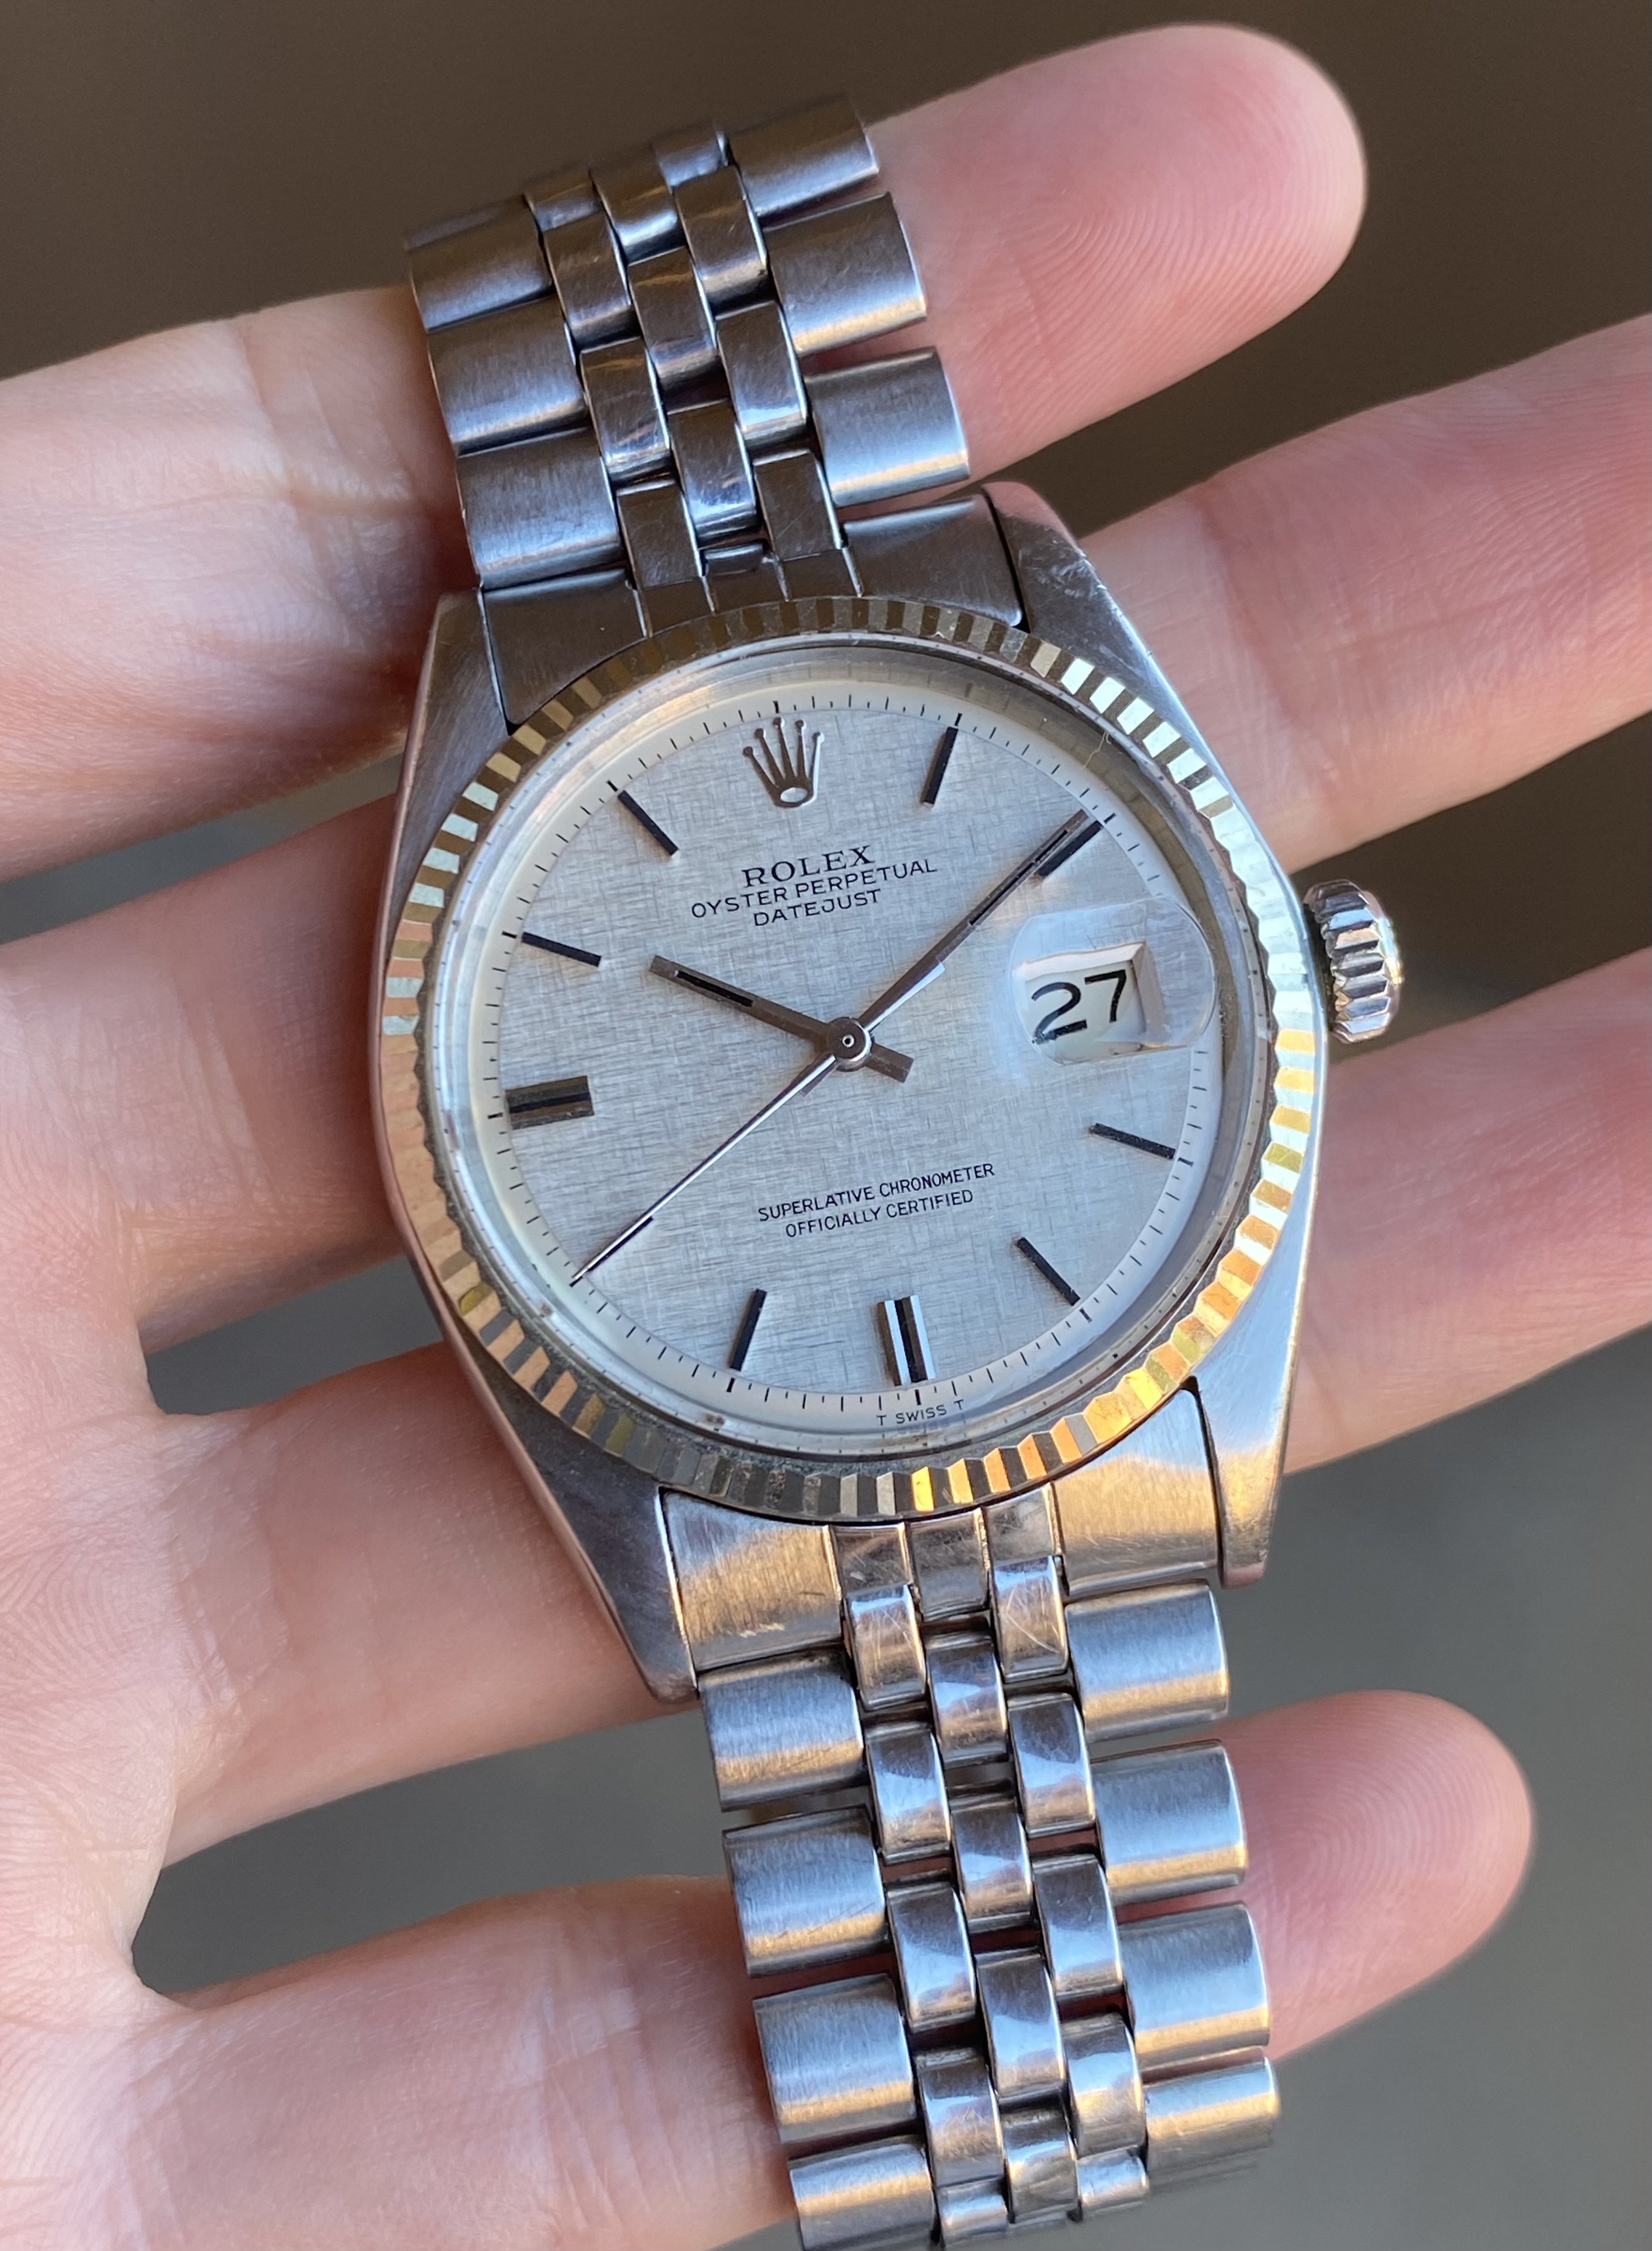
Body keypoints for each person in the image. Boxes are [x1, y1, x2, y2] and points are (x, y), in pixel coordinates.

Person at [0, 27, 1645, 2248]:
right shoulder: (607, 762)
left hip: (971, 1350)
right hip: (748, 1402)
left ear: (1307, 971)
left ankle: (1017, 2100)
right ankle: (1009, 2102)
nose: (860, 1048)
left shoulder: (1040, 666)